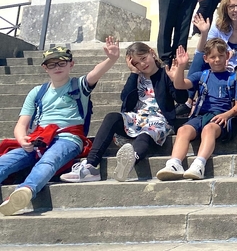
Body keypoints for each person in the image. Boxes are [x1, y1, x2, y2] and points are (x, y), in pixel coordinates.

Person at [0, 41, 120, 215]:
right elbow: (21, 124)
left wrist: (111, 59)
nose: (57, 67)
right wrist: (21, 138)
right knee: (5, 161)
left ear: (71, 64)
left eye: (62, 62)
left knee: (49, 160)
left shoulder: (78, 86)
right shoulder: (37, 92)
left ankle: (25, 190)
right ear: (45, 68)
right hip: (38, 139)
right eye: (52, 64)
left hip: (69, 139)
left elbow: (94, 73)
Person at [60, 42, 186, 183]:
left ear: (152, 52)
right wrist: (133, 73)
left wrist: (176, 79)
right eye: (137, 63)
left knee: (145, 135)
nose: (142, 64)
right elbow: (125, 99)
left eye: (143, 58)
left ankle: (130, 161)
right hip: (137, 118)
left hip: (160, 120)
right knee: (112, 117)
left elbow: (182, 98)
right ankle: (91, 166)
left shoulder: (166, 73)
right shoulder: (137, 77)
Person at [157, 40, 237, 180]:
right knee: (183, 130)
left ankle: (199, 164)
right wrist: (182, 66)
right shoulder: (202, 75)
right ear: (206, 59)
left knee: (209, 129)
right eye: (212, 57)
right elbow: (180, 85)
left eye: (220, 56)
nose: (217, 60)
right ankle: (174, 163)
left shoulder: (234, 77)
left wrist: (227, 115)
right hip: (201, 115)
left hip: (222, 117)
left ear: (227, 56)